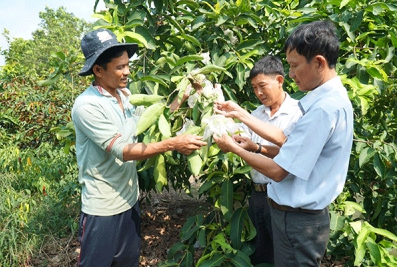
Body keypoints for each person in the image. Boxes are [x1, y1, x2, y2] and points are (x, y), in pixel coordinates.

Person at [213, 20, 353, 267]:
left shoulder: (323, 109)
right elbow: (288, 142)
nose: (291, 74)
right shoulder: (332, 99)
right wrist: (240, 114)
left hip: (298, 221)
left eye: (294, 65)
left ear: (319, 62)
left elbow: (278, 172)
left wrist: (233, 148)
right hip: (299, 219)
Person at [72, 28, 207, 267]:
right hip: (102, 208)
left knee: (127, 262)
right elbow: (123, 151)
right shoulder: (87, 105)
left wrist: (184, 95)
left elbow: (152, 122)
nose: (127, 72)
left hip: (129, 201)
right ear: (98, 70)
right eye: (119, 67)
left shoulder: (124, 96)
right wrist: (174, 144)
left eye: (127, 65)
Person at [235, 55, 302, 265]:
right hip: (257, 196)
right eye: (254, 88)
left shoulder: (298, 113)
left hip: (284, 196)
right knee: (260, 252)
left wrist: (256, 148)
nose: (258, 93)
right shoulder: (256, 115)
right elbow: (236, 134)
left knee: (284, 255)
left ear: (280, 81)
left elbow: (290, 152)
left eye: (262, 86)